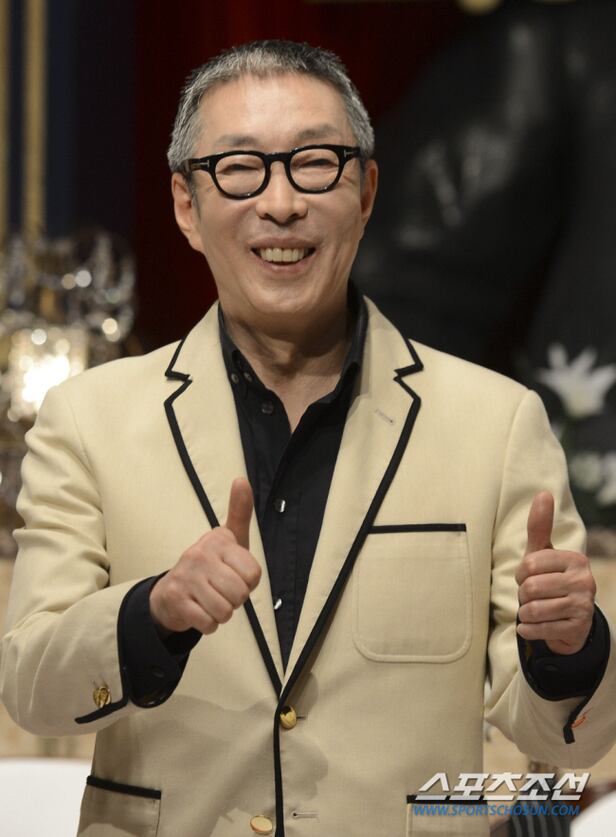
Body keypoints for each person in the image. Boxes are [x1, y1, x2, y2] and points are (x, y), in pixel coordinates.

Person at [0, 40, 614, 837]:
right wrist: (151, 614)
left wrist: (568, 649)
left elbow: (562, 739)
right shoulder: (90, 418)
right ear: (186, 205)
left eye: (316, 164)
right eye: (239, 169)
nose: (281, 202)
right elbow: (32, 686)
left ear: (366, 192)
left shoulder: (495, 423)